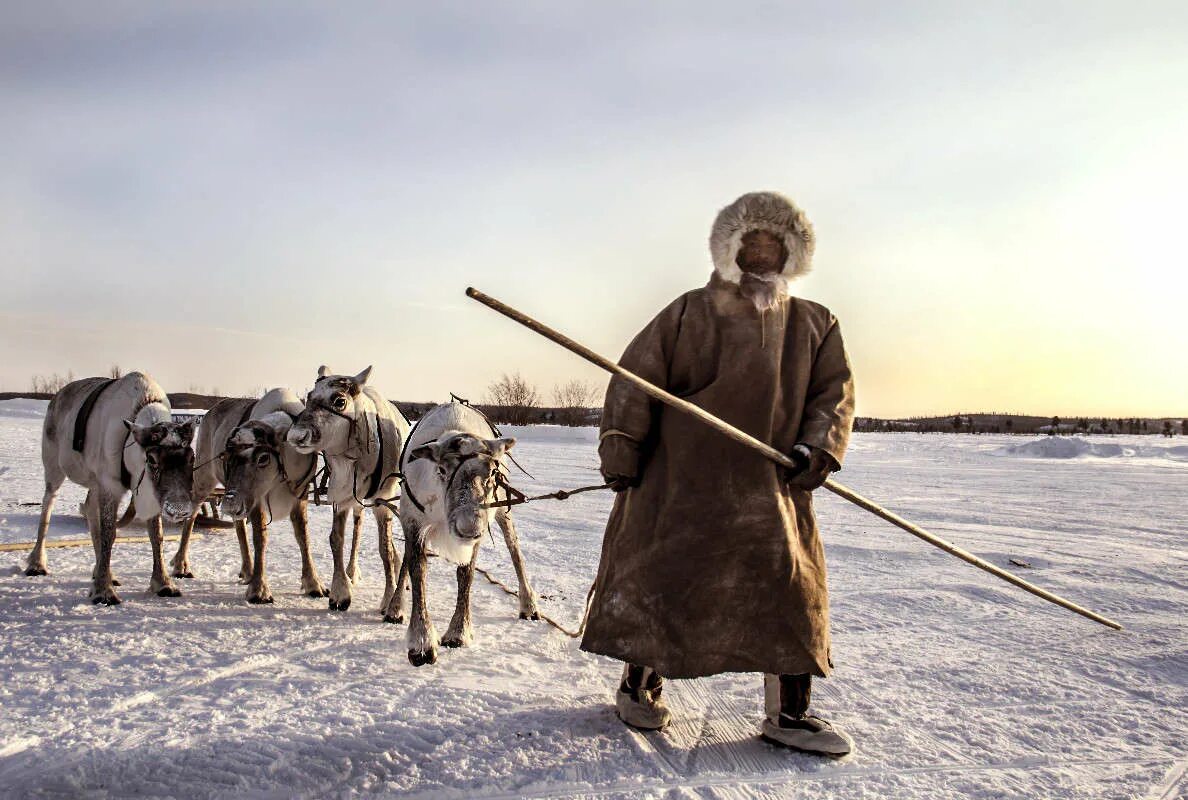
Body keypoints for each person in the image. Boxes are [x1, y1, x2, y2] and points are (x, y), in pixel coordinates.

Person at [580, 191, 856, 757]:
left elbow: (835, 395)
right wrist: (622, 454)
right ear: (728, 249)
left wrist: (817, 449)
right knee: (662, 581)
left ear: (793, 253)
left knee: (788, 593)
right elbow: (634, 381)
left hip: (771, 488)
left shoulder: (815, 323)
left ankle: (790, 715)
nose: (761, 255)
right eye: (750, 244)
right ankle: (639, 687)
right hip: (677, 484)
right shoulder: (687, 312)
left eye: (774, 245)